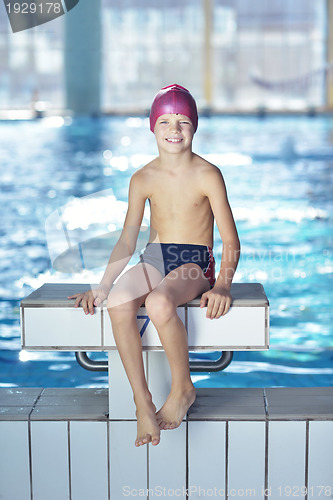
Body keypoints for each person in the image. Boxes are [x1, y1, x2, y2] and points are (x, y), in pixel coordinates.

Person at [68, 84, 240, 447]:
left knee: (160, 303)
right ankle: (142, 402)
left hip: (195, 262)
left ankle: (182, 389)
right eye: (165, 121)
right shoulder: (142, 178)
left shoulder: (208, 174)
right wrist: (102, 286)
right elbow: (128, 240)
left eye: (182, 121)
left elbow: (231, 240)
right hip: (156, 257)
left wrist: (222, 284)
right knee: (117, 302)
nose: (174, 129)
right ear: (152, 126)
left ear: (194, 126)